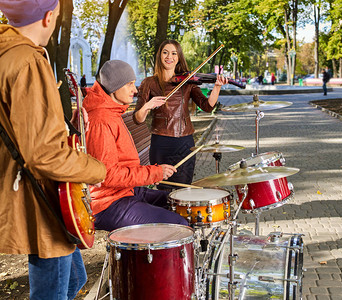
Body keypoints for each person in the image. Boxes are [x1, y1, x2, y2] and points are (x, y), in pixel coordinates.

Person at [0, 1, 107, 299]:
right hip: (42, 196)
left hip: (35, 189)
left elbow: (23, 124)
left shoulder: (8, 53)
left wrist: (63, 124)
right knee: (52, 290)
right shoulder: (27, 61)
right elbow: (44, 155)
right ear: (49, 17)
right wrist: (99, 170)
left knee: (73, 280)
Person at [83, 60, 188, 232]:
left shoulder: (111, 111)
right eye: (129, 84)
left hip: (125, 191)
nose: (135, 89)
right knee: (179, 226)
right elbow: (107, 175)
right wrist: (155, 172)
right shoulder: (101, 121)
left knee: (179, 202)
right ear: (115, 87)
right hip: (108, 203)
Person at [134, 39, 228, 189]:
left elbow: (207, 107)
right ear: (159, 56)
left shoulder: (188, 81)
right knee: (164, 189)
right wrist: (148, 105)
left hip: (184, 142)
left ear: (178, 58)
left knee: (183, 190)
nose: (169, 57)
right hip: (161, 143)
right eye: (165, 52)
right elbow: (138, 118)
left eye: (173, 53)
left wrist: (217, 87)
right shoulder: (149, 83)